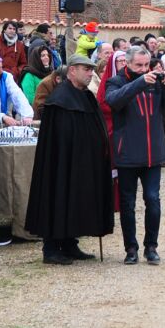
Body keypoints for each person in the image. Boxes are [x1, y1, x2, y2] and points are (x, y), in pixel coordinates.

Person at [26, 54, 114, 265]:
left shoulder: (87, 96)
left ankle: (69, 243)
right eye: (86, 69)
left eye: (92, 69)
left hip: (82, 162)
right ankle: (51, 248)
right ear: (72, 71)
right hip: (60, 163)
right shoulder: (59, 100)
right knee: (57, 197)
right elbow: (58, 138)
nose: (90, 73)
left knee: (75, 200)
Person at [105, 46, 165, 264]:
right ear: (127, 64)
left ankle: (151, 246)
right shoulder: (116, 81)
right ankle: (131, 248)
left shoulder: (157, 81)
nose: (143, 69)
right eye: (138, 65)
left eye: (146, 65)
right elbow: (113, 101)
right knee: (127, 203)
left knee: (153, 199)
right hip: (127, 153)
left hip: (153, 153)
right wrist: (140, 82)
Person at [0, 50, 35, 125]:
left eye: (1, 67)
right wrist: (1, 117)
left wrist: (27, 115)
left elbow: (17, 94)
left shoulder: (6, 77)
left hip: (3, 121)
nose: (1, 71)